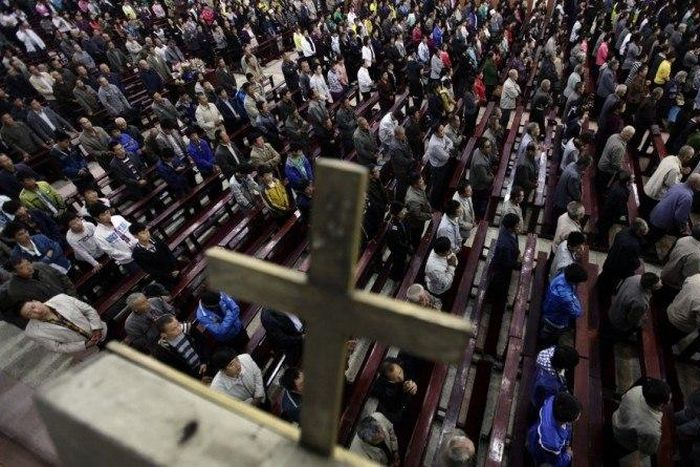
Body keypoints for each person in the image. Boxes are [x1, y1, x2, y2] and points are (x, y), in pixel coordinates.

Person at [20, 295, 107, 355]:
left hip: (103, 331)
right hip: (90, 350)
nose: (37, 311)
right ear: (29, 318)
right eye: (30, 314)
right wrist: (86, 345)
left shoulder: (61, 298)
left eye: (33, 306)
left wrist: (96, 328)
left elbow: (88, 311)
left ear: (35, 301)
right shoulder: (33, 332)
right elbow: (57, 347)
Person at [612, 378, 671, 458]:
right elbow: (648, 450)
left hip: (616, 419)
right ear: (663, 404)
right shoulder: (652, 430)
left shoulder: (637, 390)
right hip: (623, 441)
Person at [597, 218, 648, 299]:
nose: (643, 236)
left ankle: (598, 287)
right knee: (609, 284)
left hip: (610, 260)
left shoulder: (624, 231)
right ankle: (602, 297)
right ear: (638, 232)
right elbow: (632, 261)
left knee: (604, 277)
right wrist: (637, 264)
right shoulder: (633, 245)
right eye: (642, 233)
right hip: (618, 268)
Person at [647, 174, 700, 251]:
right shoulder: (687, 197)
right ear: (694, 185)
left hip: (655, 212)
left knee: (648, 234)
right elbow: (679, 217)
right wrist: (684, 227)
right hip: (662, 221)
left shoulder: (678, 185)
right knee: (651, 239)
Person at [527, 392, 581, 467]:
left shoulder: (552, 401)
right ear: (565, 421)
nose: (578, 417)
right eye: (576, 417)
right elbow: (556, 462)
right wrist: (567, 456)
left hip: (534, 434)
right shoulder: (552, 443)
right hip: (542, 451)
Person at [540, 264, 588, 344]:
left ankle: (543, 336)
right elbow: (577, 312)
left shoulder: (562, 275)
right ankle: (545, 342)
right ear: (574, 281)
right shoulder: (565, 298)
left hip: (548, 309)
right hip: (555, 322)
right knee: (551, 336)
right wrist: (575, 299)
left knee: (546, 330)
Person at [642, 145, 694, 217]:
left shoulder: (670, 157)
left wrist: (681, 171)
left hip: (649, 186)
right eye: (690, 156)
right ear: (686, 157)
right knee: (646, 214)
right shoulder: (675, 169)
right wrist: (681, 176)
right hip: (655, 195)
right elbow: (671, 185)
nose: (691, 158)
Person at [90, 203, 139, 273]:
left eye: (107, 212)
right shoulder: (98, 235)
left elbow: (133, 229)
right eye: (103, 215)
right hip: (129, 260)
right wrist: (131, 255)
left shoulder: (118, 218)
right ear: (96, 218)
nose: (107, 215)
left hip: (141, 248)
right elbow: (111, 251)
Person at [5, 222, 70, 273]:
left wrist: (40, 262)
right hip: (49, 277)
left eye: (25, 231)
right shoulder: (16, 254)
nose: (26, 235)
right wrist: (47, 257)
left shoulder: (40, 237)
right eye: (20, 234)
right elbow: (32, 269)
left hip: (64, 265)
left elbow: (58, 248)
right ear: (14, 238)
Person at [128, 223, 179, 289]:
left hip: (174, 269)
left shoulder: (156, 238)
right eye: (143, 233)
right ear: (135, 236)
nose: (147, 234)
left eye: (147, 231)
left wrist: (175, 267)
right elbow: (150, 270)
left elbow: (168, 252)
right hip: (163, 278)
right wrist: (168, 275)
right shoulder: (137, 254)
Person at [371, 356, 418, 425]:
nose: (401, 378)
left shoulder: (405, 364)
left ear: (399, 364)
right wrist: (404, 393)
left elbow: (415, 372)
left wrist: (414, 384)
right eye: (396, 378)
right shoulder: (384, 389)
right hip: (404, 417)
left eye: (400, 372)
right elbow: (395, 407)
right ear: (389, 380)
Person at [597, 170, 633, 247]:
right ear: (627, 182)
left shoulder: (617, 183)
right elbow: (620, 207)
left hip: (607, 207)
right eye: (631, 179)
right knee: (605, 226)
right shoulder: (622, 193)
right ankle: (600, 241)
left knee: (603, 222)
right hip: (611, 212)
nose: (633, 180)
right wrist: (622, 215)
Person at [660, 225, 700, 292]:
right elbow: (689, 276)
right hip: (674, 285)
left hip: (666, 272)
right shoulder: (696, 255)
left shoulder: (684, 239)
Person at [553, 157, 591, 222]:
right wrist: (581, 195)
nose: (587, 169)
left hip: (558, 194)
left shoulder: (572, 164)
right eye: (587, 167)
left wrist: (580, 173)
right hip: (562, 202)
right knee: (580, 210)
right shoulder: (574, 176)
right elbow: (576, 195)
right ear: (583, 165)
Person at [426, 123, 454, 207]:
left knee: (443, 183)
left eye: (443, 129)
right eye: (441, 131)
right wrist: (447, 149)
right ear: (435, 133)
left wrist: (446, 149)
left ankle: (442, 199)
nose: (444, 132)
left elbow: (450, 142)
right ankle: (434, 205)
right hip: (438, 168)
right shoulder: (434, 144)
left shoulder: (441, 135)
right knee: (437, 187)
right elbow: (445, 157)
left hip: (443, 165)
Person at [469, 138, 497, 219]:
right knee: (479, 203)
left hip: (480, 177)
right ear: (481, 148)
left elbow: (489, 158)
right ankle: (479, 217)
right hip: (478, 186)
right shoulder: (479, 163)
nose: (490, 148)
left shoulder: (478, 150)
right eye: (487, 147)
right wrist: (492, 176)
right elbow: (485, 179)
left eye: (490, 146)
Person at [404, 173, 432, 249]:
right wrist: (430, 216)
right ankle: (415, 249)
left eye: (422, 179)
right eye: (420, 181)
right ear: (415, 185)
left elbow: (424, 199)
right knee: (416, 237)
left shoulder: (418, 188)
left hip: (421, 215)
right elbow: (418, 215)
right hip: (416, 223)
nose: (423, 181)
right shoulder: (413, 199)